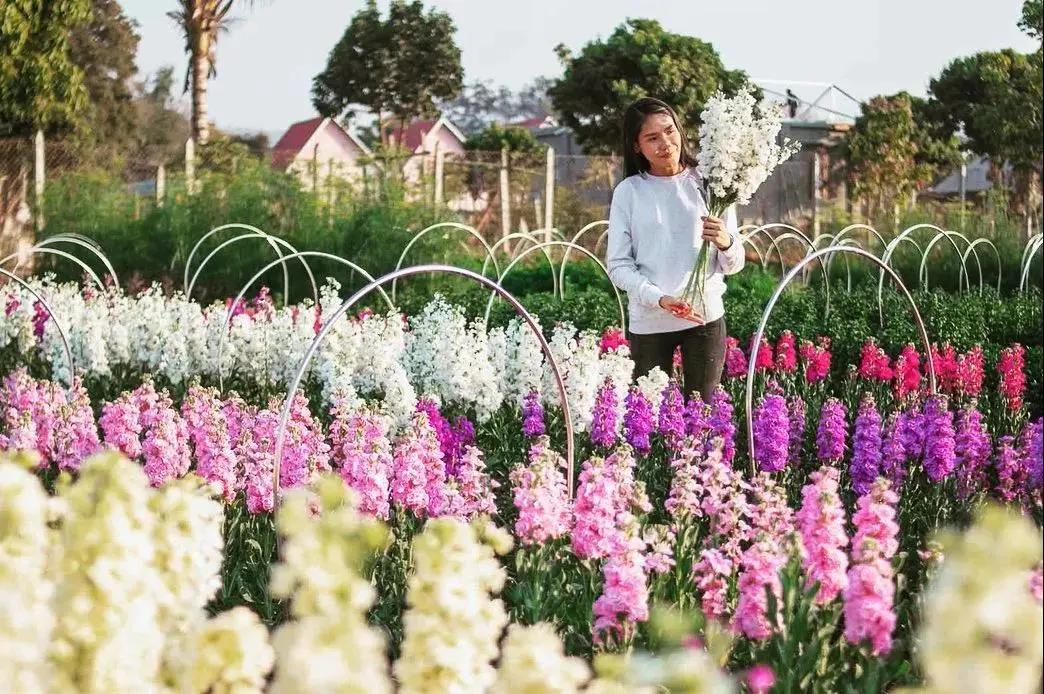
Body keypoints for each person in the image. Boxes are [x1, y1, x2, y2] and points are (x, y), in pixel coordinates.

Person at [606, 97, 745, 404]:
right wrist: (659, 298)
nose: (665, 143)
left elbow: (734, 264)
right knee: (650, 419)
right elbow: (617, 265)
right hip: (650, 321)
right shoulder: (629, 193)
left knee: (702, 416)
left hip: (704, 319)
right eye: (652, 138)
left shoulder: (713, 185)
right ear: (636, 146)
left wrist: (726, 241)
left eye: (670, 131)